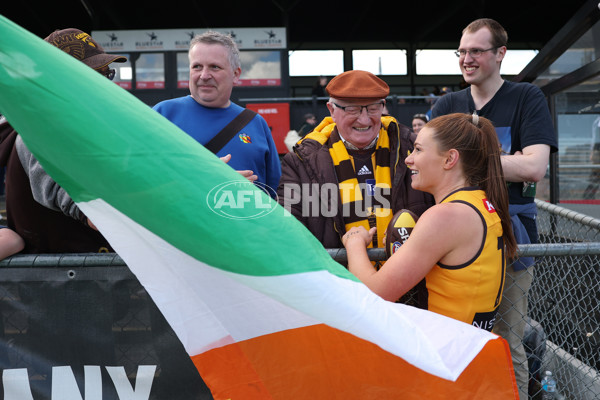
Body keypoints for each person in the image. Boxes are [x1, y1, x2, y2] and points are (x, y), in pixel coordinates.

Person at [431, 18, 558, 399]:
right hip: (455, 235)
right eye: (462, 52)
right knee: (457, 333)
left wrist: (465, 159)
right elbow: (434, 166)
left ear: (500, 54)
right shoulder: (447, 104)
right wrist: (505, 160)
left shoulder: (526, 98)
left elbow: (535, 167)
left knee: (506, 338)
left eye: (476, 51)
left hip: (511, 236)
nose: (466, 59)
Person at [342, 113, 517, 332]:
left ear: (449, 159)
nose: (409, 159)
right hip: (473, 350)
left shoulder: (445, 216)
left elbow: (375, 294)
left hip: (453, 354)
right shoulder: (481, 202)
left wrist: (354, 243)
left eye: (418, 149)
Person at [0, 28, 127, 253]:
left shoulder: (83, 124)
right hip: (57, 283)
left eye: (106, 74)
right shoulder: (38, 128)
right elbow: (91, 210)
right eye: (91, 75)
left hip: (90, 279)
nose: (104, 84)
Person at [277, 70, 433, 250]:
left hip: (411, 273)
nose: (364, 119)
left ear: (383, 107)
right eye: (352, 109)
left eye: (373, 108)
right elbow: (289, 230)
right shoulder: (300, 162)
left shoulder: (414, 149)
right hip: (338, 275)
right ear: (331, 110)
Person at [153, 31, 281, 192]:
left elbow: (276, 191)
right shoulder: (163, 114)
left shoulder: (256, 123)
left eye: (215, 67)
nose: (204, 75)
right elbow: (137, 177)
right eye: (197, 66)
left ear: (235, 74)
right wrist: (204, 179)